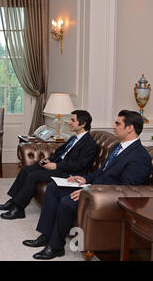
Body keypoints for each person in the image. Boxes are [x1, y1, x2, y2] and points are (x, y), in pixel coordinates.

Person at [24, 110, 151, 260]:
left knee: (67, 202)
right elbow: (103, 172)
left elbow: (125, 189)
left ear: (129, 128)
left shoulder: (139, 156)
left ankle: (56, 247)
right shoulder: (119, 147)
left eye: (118, 123)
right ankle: (46, 235)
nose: (114, 126)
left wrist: (89, 190)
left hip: (104, 198)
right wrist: (84, 179)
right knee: (53, 187)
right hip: (93, 187)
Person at [0, 110, 97, 220]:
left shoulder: (89, 144)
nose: (70, 122)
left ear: (83, 124)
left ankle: (19, 209)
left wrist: (57, 166)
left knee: (33, 176)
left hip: (69, 173)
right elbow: (59, 152)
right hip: (59, 166)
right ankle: (14, 200)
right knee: (26, 169)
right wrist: (49, 160)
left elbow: (79, 165)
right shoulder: (74, 138)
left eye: (73, 120)